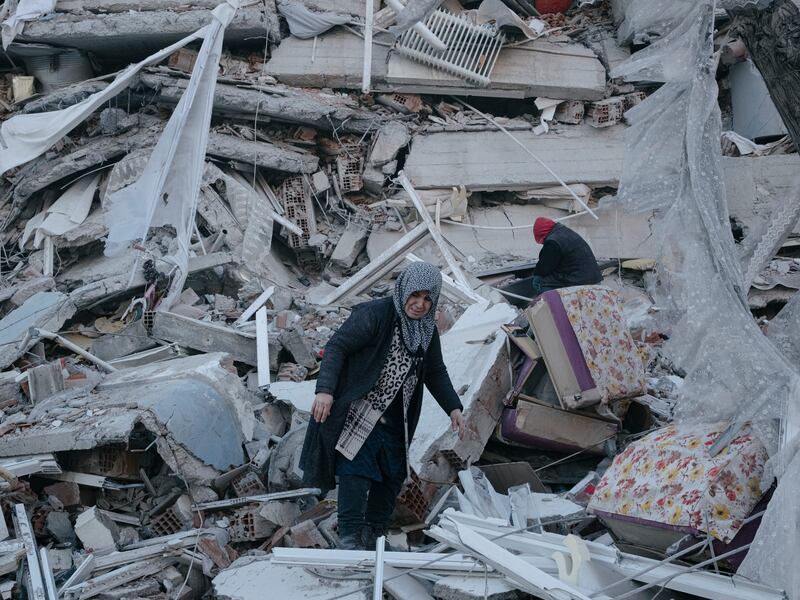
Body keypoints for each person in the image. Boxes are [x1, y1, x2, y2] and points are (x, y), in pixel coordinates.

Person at [299, 262, 465, 550]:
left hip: (396, 416)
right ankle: (350, 535)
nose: (420, 304)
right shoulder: (375, 315)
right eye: (415, 295)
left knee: (391, 475)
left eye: (428, 298)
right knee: (356, 470)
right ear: (403, 291)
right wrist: (324, 391)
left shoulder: (426, 331)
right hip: (362, 407)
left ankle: (375, 534)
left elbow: (435, 372)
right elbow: (337, 347)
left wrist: (453, 407)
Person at [531, 217, 602, 296]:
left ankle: (552, 307)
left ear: (542, 234)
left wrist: (537, 276)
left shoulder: (553, 241)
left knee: (544, 286)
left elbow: (545, 267)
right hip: (592, 278)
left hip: (579, 281)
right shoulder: (564, 232)